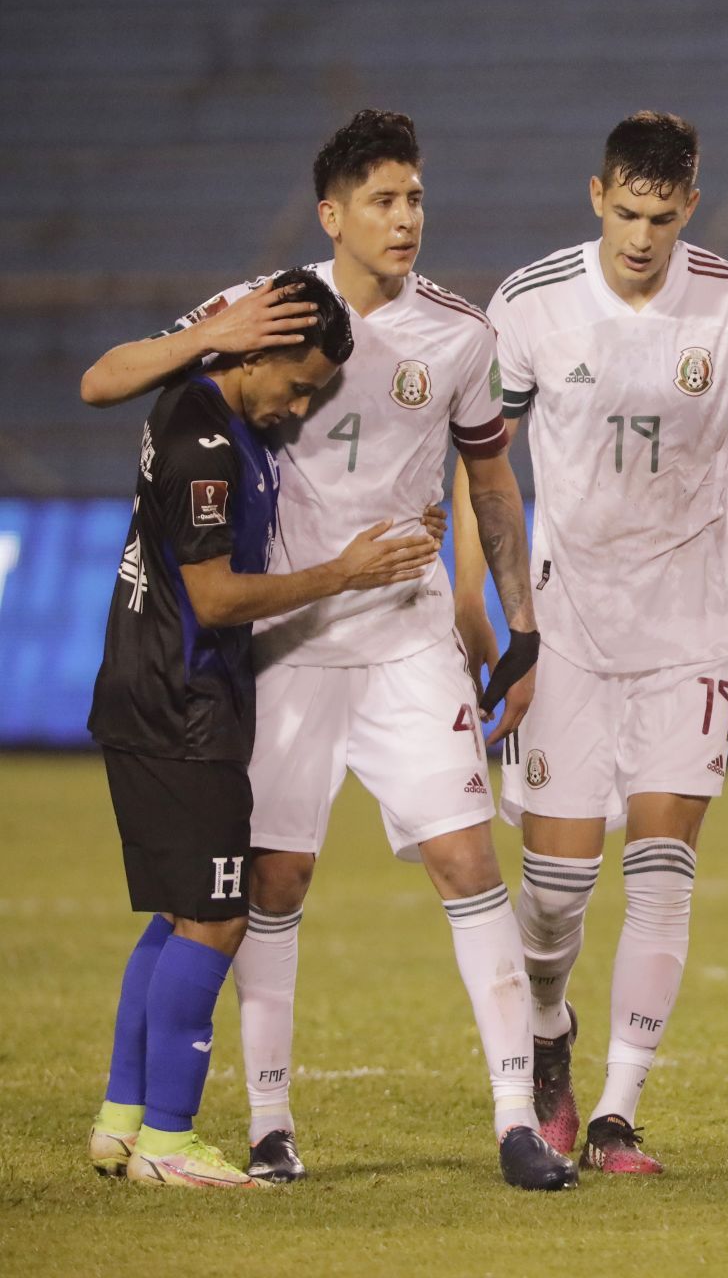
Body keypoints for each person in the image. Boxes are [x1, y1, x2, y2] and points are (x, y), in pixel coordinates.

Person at [79, 110, 574, 1190]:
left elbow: (491, 481)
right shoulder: (264, 309)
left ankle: (514, 1117)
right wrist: (211, 335)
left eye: (417, 198)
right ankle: (268, 1123)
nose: (406, 219)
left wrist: (515, 621)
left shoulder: (461, 334)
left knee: (465, 858)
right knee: (274, 875)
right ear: (333, 213)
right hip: (285, 633)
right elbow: (112, 376)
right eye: (385, 200)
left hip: (405, 637)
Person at [485, 111, 728, 1176]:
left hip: (692, 623)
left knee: (661, 866)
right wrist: (493, 616)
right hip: (567, 625)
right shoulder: (533, 302)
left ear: (691, 202)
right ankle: (550, 1027)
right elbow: (485, 465)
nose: (641, 236)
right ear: (597, 194)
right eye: (625, 211)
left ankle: (615, 1113)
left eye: (662, 214)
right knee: (553, 893)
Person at [86, 268, 431, 1187]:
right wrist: (343, 576)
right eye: (299, 383)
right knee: (218, 919)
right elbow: (216, 595)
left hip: (153, 692)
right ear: (257, 350)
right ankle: (169, 1139)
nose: (301, 403)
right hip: (181, 702)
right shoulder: (207, 442)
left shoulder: (206, 410)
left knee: (180, 911)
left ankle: (123, 1120)